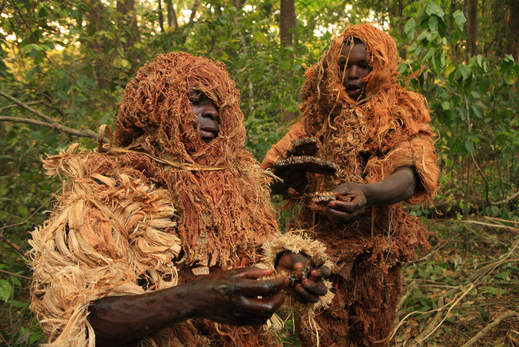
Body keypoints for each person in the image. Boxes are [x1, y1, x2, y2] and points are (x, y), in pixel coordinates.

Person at [28, 52, 331, 347]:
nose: (213, 112)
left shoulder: (241, 186)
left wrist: (283, 266)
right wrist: (192, 299)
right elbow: (83, 321)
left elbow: (250, 256)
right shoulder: (106, 191)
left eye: (218, 105)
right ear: (154, 108)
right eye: (197, 101)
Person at [261, 24, 440, 346]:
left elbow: (410, 174)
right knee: (320, 336)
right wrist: (286, 179)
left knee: (372, 334)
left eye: (363, 65)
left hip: (376, 257)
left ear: (381, 68)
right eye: (344, 65)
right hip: (317, 254)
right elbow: (271, 169)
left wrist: (367, 193)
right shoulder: (317, 116)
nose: (352, 74)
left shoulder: (400, 111)